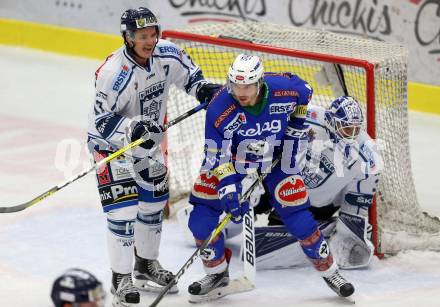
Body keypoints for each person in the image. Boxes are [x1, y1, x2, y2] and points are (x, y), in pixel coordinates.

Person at [186, 54, 354, 303]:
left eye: (247, 86)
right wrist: (229, 191)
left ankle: (330, 272)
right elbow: (216, 157)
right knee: (200, 219)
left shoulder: (285, 89)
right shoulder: (219, 108)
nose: (241, 92)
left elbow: (305, 91)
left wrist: (296, 126)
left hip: (277, 158)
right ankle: (216, 273)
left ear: (260, 83)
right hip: (233, 160)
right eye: (235, 86)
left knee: (299, 219)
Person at [86, 7, 221, 307]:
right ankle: (120, 278)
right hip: (112, 147)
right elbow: (99, 122)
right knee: (122, 212)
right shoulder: (112, 74)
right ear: (128, 38)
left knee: (153, 204)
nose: (150, 41)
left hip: (147, 147)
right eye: (142, 36)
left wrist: (204, 90)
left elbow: (192, 79)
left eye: (153, 34)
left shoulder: (167, 55)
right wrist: (133, 128)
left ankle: (146, 265)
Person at [254, 96, 381, 269]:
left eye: (355, 129)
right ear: (330, 121)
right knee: (252, 191)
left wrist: (350, 227)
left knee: (285, 228)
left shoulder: (367, 155)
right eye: (346, 128)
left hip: (317, 204)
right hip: (283, 181)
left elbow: (358, 196)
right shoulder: (308, 116)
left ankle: (321, 228)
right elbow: (271, 122)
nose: (351, 135)